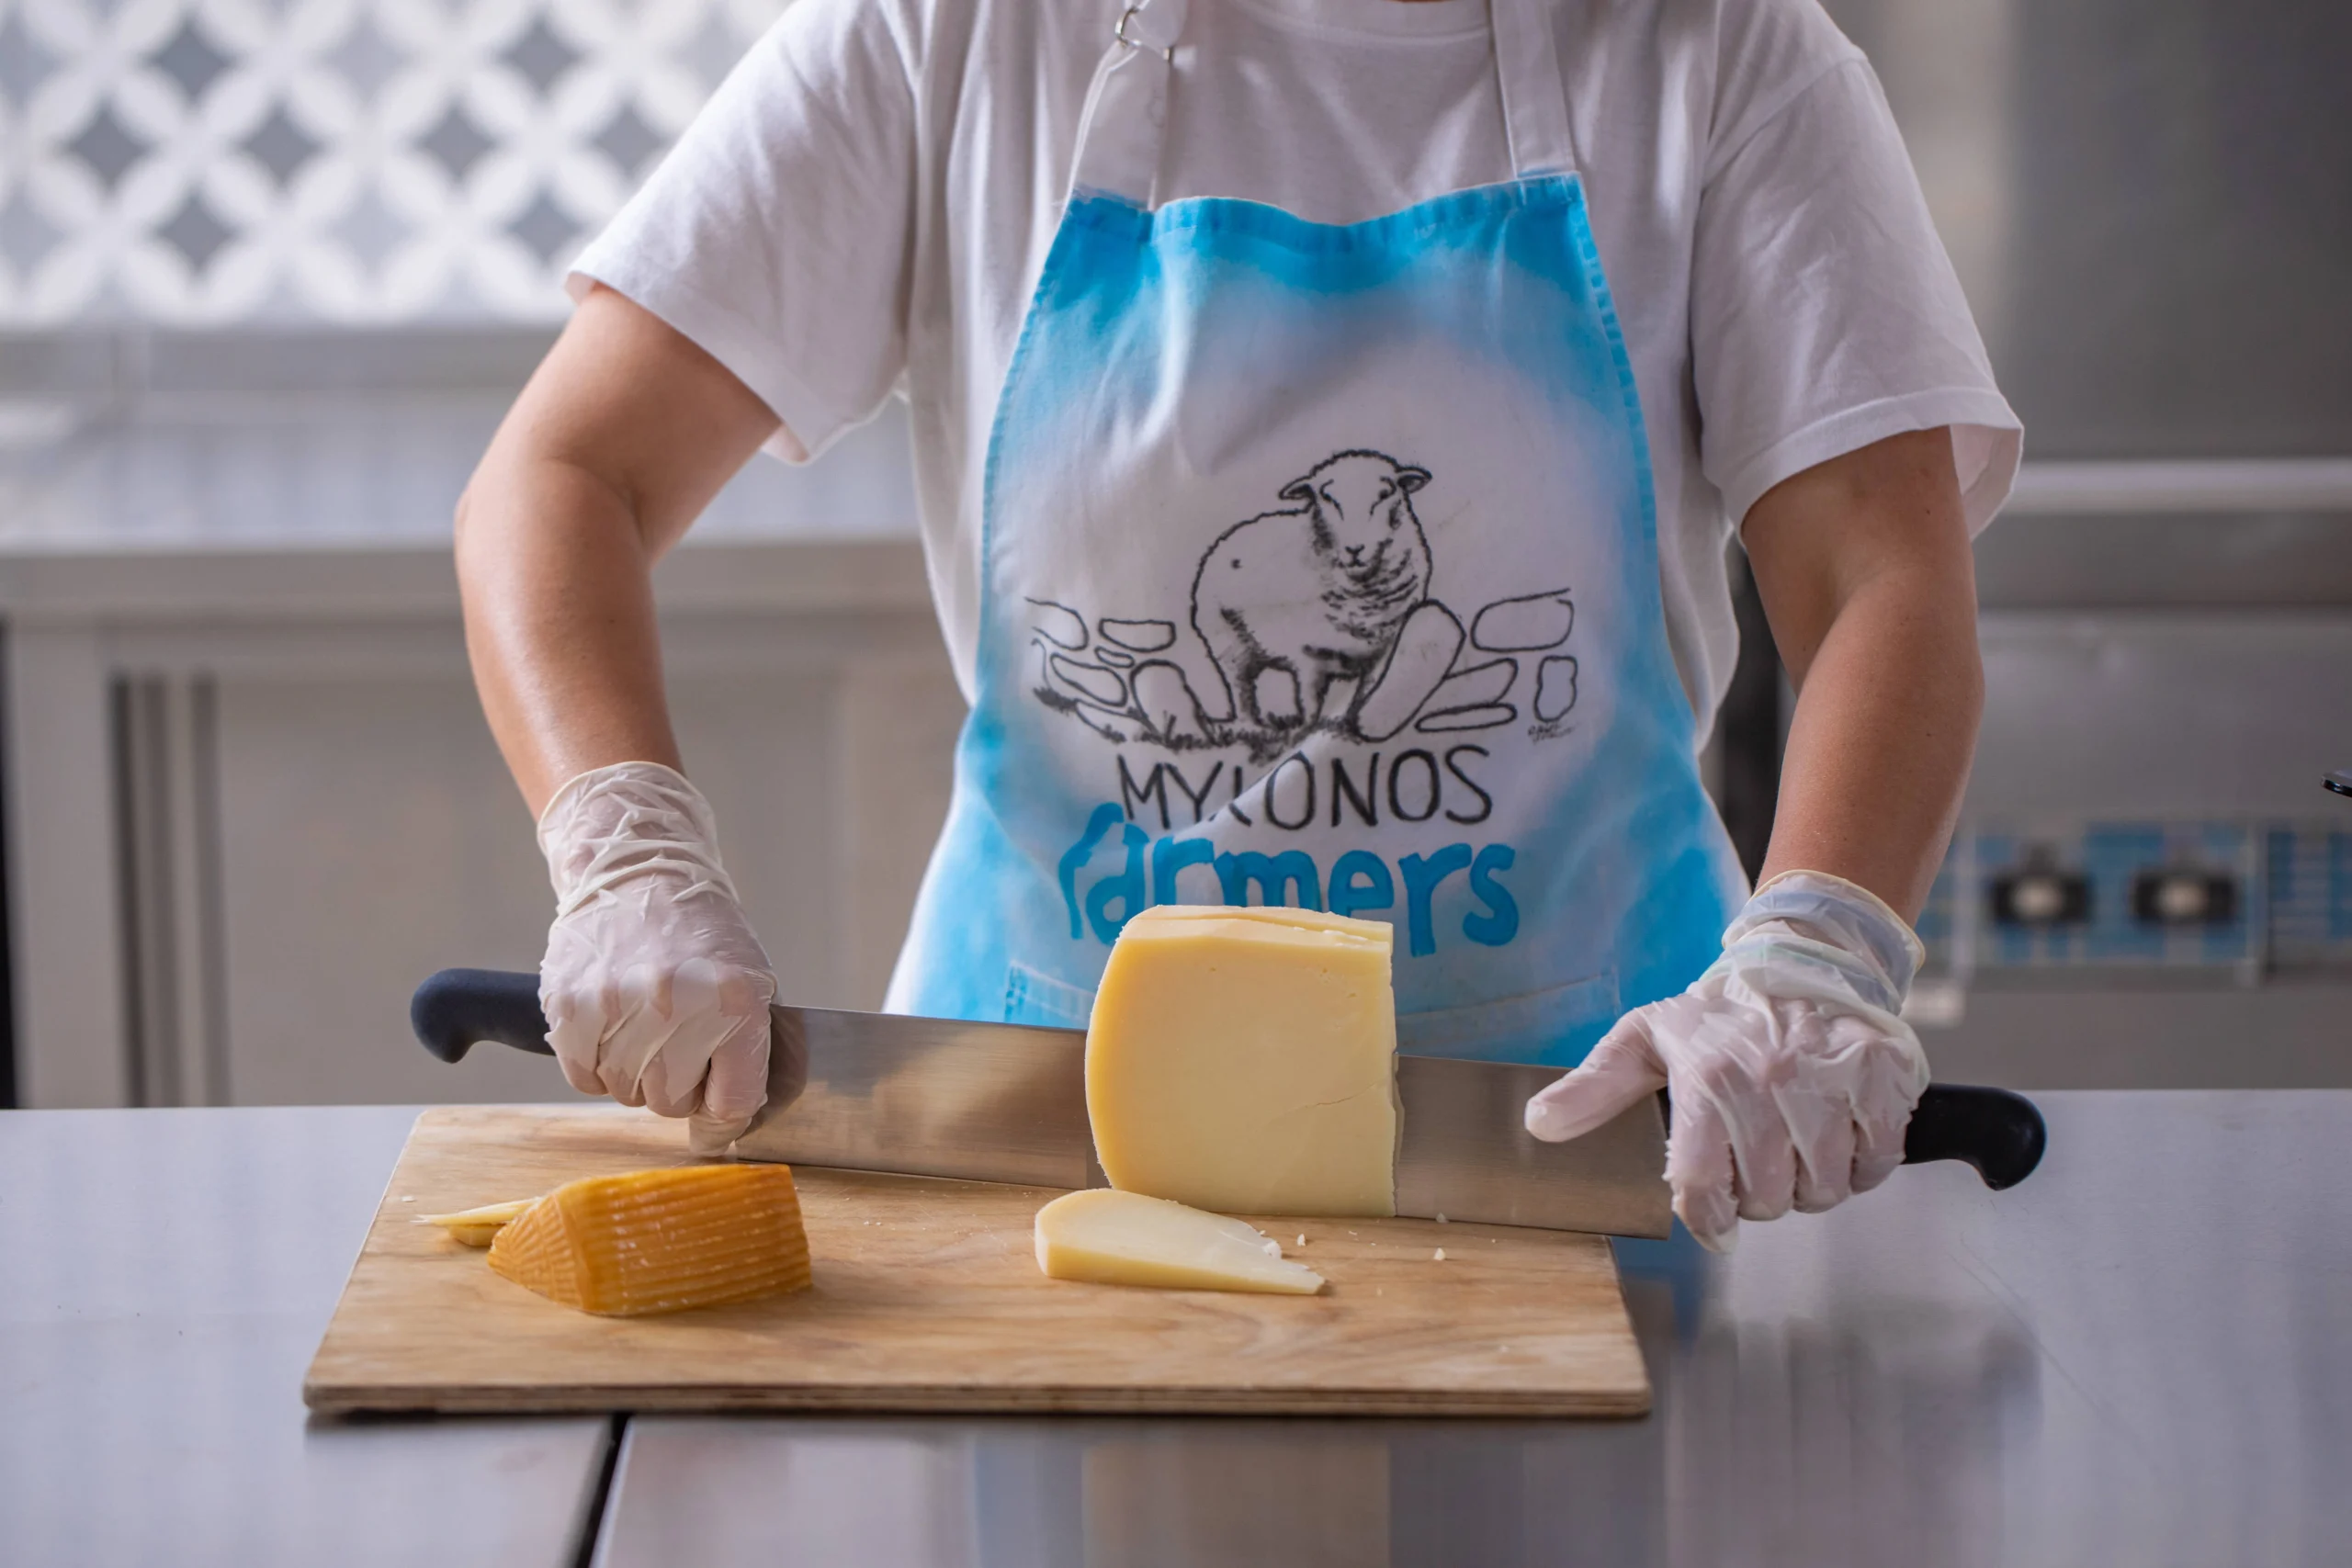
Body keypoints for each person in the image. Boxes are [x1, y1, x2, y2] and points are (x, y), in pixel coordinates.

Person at [455, 0, 2017, 1250]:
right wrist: (625, 853)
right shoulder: (953, 37)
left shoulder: (1725, 57)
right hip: (1035, 1158)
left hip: (1589, 1157)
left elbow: (1881, 577)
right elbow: (566, 470)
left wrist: (1820, 947)